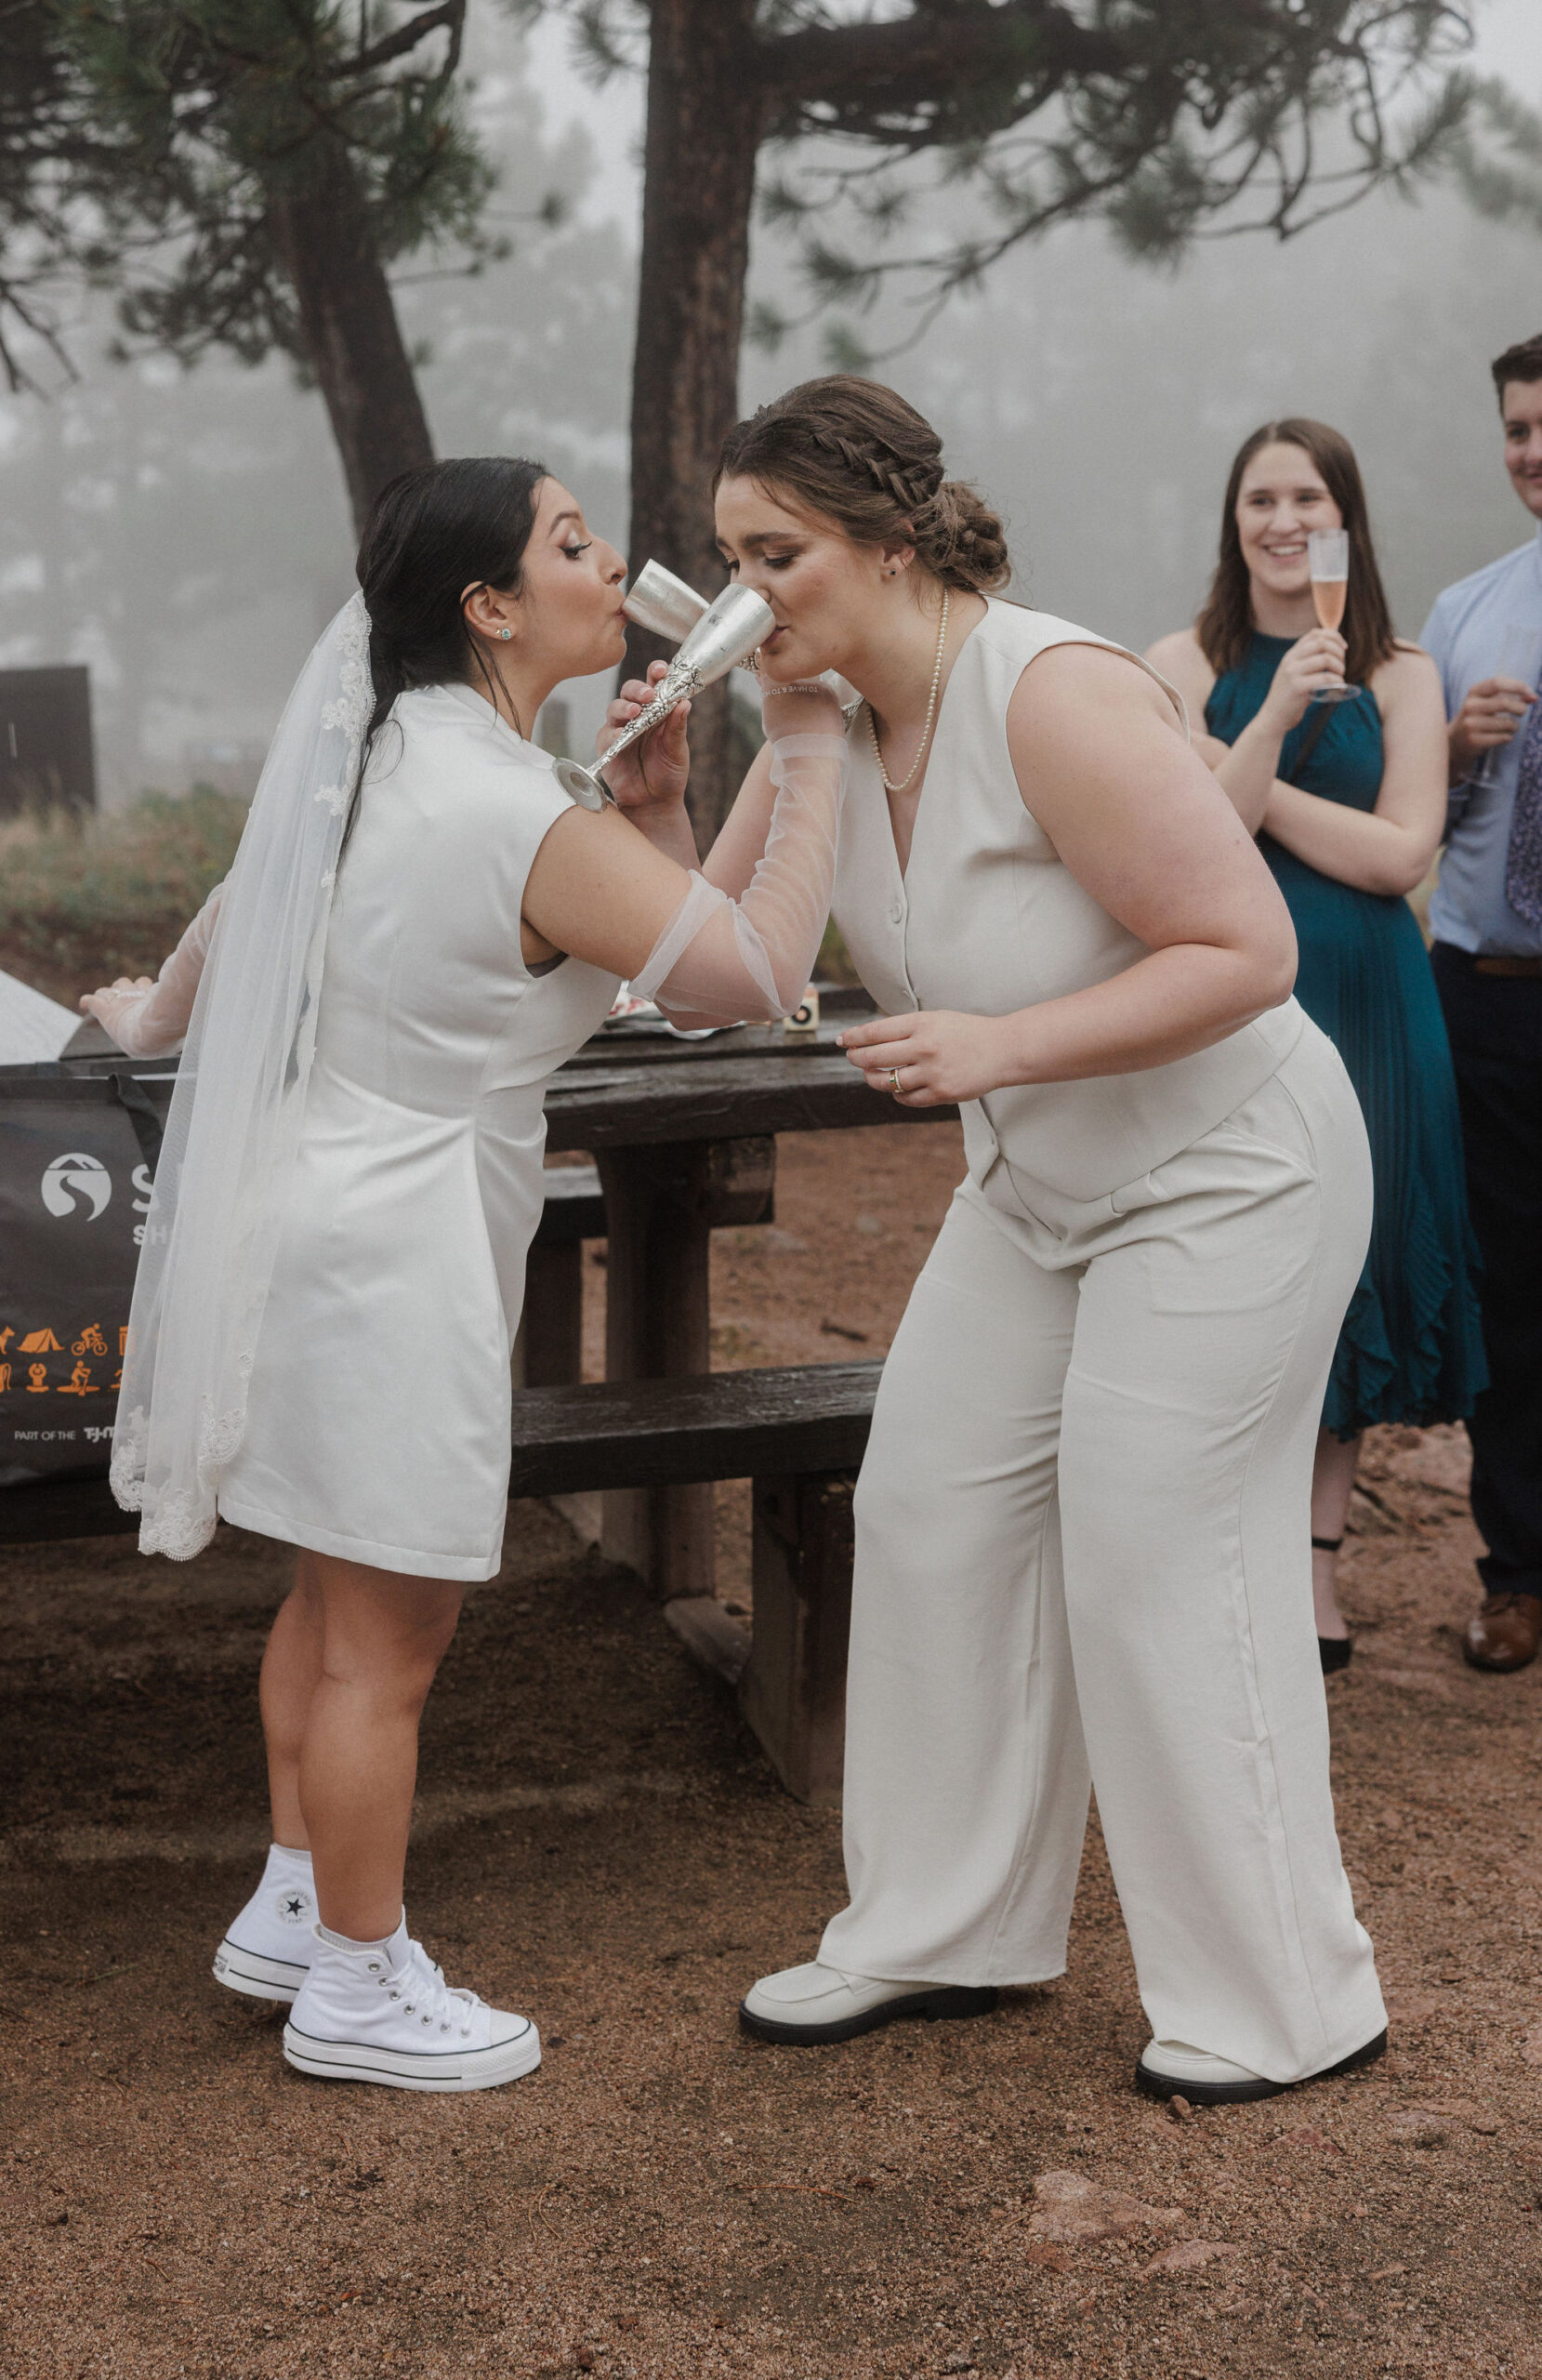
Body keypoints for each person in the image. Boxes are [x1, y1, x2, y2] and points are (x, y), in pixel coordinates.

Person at [607, 375, 1387, 2108]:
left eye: (778, 555)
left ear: (891, 545)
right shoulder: (827, 716)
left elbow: (1245, 949)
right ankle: (945, 1924)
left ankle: (1285, 1998)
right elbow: (718, 964)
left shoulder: (1053, 692)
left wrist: (998, 1049)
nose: (748, 597)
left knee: (1152, 1545)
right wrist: (668, 799)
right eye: (727, 561)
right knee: (932, 1507)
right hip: (1037, 1189)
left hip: (1230, 1173)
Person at [81, 456, 848, 2093]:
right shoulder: (506, 808)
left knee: (330, 1589)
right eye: (572, 543)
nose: (612, 562)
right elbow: (752, 973)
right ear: (488, 604)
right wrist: (814, 747)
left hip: (319, 1212)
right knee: (391, 1636)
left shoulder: (385, 763)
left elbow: (239, 918)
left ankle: (298, 1903)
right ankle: (360, 1983)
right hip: (401, 1240)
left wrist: (649, 813)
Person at [1146, 419, 1485, 1672]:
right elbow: (1194, 841)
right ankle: (1215, 1547)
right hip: (1229, 998)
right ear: (1232, 522)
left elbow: (1402, 856)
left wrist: (1247, 774)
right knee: (1239, 1260)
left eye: (1310, 501)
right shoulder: (1175, 663)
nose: (1285, 523)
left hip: (1374, 1003)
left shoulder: (1403, 671)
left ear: (1348, 521)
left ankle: (1314, 1575)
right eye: (1260, 500)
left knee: (1355, 1259)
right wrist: (1277, 713)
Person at [1420, 334, 1542, 1673]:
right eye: (1517, 428)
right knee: (1513, 1294)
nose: (1533, 450)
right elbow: (1414, 823)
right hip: (1493, 998)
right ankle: (1520, 1573)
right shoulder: (1463, 617)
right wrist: (1454, 748)